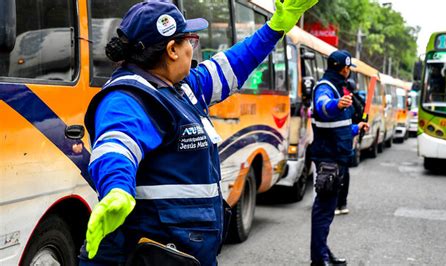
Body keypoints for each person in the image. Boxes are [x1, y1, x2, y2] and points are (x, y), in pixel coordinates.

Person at [78, 0, 319, 265]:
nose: (192, 50)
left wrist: (274, 28)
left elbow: (233, 63)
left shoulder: (179, 86)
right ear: (172, 50)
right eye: (189, 42)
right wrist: (116, 190)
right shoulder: (128, 98)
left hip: (184, 253)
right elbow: (116, 146)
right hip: (151, 255)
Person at [310, 50, 369, 266]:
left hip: (337, 156)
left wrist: (357, 127)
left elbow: (339, 126)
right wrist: (337, 104)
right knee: (323, 211)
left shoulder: (339, 88)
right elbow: (322, 108)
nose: (347, 71)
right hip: (328, 159)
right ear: (339, 67)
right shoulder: (325, 87)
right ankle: (319, 259)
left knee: (327, 211)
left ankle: (323, 253)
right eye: (346, 67)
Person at [334, 78, 364, 215]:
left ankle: (337, 204)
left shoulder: (345, 99)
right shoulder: (354, 99)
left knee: (339, 171)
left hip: (344, 137)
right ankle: (342, 204)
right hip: (350, 137)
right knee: (344, 171)